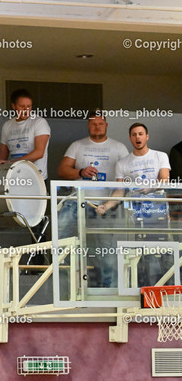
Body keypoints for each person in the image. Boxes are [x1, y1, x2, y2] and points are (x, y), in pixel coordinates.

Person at [56, 114, 129, 286]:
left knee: (104, 250)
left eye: (100, 124)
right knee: (59, 238)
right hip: (77, 200)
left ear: (107, 125)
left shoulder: (118, 147)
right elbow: (62, 171)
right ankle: (66, 285)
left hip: (104, 204)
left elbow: (128, 174)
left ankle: (106, 291)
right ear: (88, 126)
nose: (97, 127)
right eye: (93, 124)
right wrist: (80, 172)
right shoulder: (77, 145)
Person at [97, 123, 171, 286]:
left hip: (158, 213)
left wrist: (150, 187)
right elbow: (119, 192)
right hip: (136, 216)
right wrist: (106, 206)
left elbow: (165, 180)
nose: (137, 137)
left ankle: (166, 293)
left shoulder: (160, 156)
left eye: (140, 134)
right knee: (142, 255)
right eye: (134, 134)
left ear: (147, 136)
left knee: (163, 253)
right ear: (130, 138)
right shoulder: (123, 163)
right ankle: (145, 293)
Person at [0, 89, 50, 180]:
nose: (26, 110)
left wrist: (10, 163)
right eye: (22, 106)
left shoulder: (39, 122)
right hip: (14, 177)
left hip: (35, 179)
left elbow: (39, 153)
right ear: (13, 106)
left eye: (29, 106)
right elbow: (2, 155)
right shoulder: (7, 125)